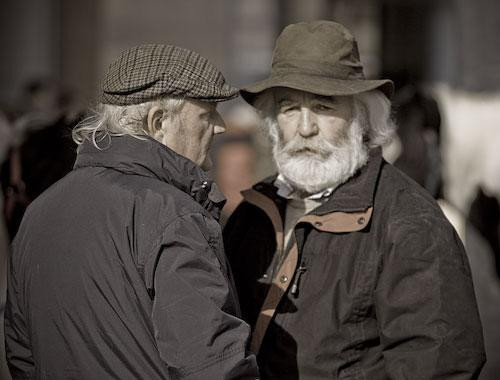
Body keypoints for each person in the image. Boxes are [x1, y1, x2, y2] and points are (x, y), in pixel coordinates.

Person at [223, 21, 485, 379]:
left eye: (323, 107)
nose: (304, 128)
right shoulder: (252, 211)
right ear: (272, 122)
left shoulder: (410, 222)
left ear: (360, 117)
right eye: (288, 108)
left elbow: (440, 367)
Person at [5, 44, 259, 379]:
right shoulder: (174, 214)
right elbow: (212, 366)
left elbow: (22, 355)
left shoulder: (40, 210)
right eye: (207, 112)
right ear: (159, 122)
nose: (220, 126)